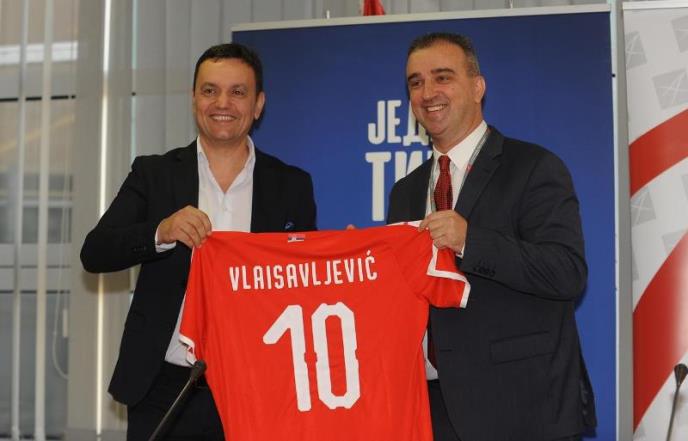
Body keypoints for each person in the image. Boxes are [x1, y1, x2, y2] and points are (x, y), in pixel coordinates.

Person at [80, 43, 316, 440]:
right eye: (210, 90)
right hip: (164, 388)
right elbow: (95, 251)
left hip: (257, 387)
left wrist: (340, 257)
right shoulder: (154, 174)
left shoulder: (291, 184)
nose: (222, 103)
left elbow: (304, 282)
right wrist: (160, 231)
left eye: (237, 92)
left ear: (258, 104)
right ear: (194, 100)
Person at [387, 33, 596, 441]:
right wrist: (369, 264)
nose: (428, 93)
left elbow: (567, 273)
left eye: (442, 77)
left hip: (523, 409)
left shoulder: (533, 167)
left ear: (477, 87)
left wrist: (470, 241)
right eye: (416, 82)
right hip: (433, 410)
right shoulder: (405, 191)